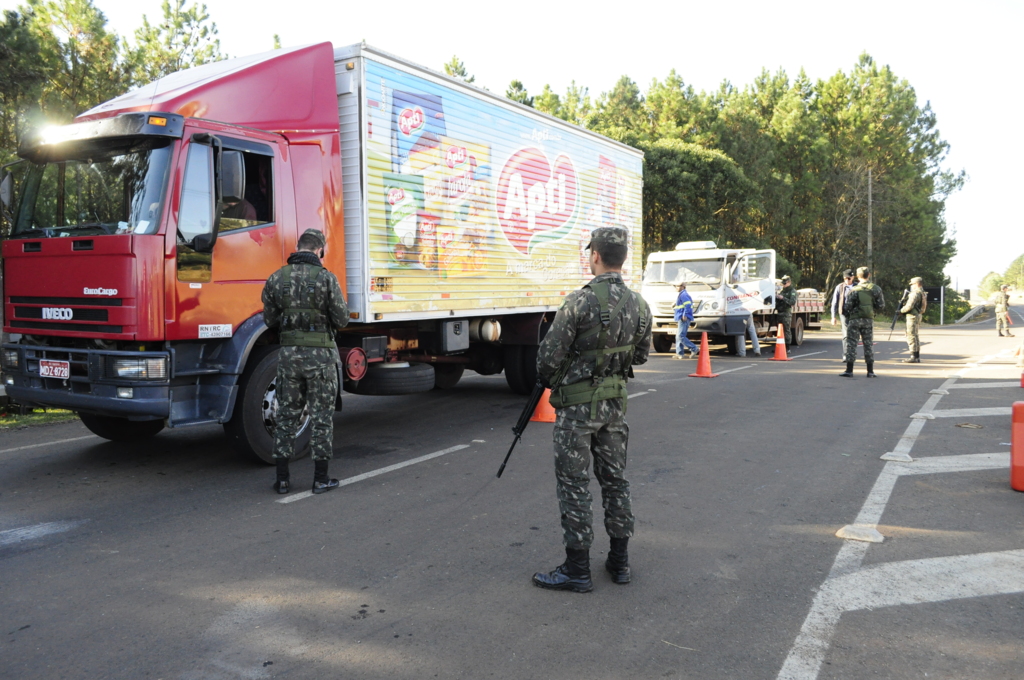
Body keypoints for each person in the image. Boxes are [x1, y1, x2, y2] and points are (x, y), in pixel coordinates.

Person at [533, 226, 652, 593]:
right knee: (615, 481)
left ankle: (577, 568)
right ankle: (620, 563)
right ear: (623, 257)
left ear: (595, 256)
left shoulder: (578, 302)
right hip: (615, 408)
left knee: (574, 484)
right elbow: (643, 356)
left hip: (576, 411)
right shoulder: (639, 304)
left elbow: (546, 360)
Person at [261, 228, 350, 494]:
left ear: (298, 247)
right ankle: (320, 480)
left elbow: (269, 320)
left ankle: (283, 480)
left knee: (286, 416)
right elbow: (342, 319)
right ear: (319, 250)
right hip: (320, 358)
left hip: (289, 357)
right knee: (322, 417)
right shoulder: (326, 279)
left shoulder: (277, 278)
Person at [840, 266, 885, 378]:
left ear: (857, 277)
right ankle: (870, 371)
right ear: (869, 275)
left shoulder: (853, 290)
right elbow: (881, 306)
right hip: (868, 320)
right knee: (868, 344)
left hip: (855, 320)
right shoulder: (876, 289)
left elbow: (847, 306)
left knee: (851, 344)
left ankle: (849, 370)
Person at [900, 276, 927, 363]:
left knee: (911, 335)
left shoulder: (915, 293)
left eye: (912, 284)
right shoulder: (923, 292)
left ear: (916, 284)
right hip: (918, 315)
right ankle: (916, 356)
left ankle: (913, 356)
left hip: (912, 316)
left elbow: (909, 306)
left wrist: (901, 310)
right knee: (915, 335)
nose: (911, 286)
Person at [671, 282, 698, 359]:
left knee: (680, 336)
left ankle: (694, 348)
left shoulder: (683, 295)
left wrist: (685, 315)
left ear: (683, 287)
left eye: (677, 286)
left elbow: (688, 305)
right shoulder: (682, 294)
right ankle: (679, 353)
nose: (676, 287)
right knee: (679, 336)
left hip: (684, 318)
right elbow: (682, 306)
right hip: (681, 317)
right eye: (675, 286)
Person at [830, 269, 856, 342]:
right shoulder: (839, 287)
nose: (847, 280)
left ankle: (852, 352)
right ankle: (846, 352)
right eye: (845, 278)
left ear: (852, 277)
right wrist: (833, 317)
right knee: (846, 334)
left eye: (849, 278)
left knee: (854, 333)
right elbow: (834, 302)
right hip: (844, 313)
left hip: (855, 313)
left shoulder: (857, 287)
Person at [776, 275, 798, 348]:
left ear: (789, 282)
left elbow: (792, 302)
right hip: (779, 312)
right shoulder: (782, 291)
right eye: (783, 283)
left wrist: (783, 298)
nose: (783, 285)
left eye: (784, 283)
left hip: (786, 313)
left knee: (787, 330)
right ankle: (779, 347)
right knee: (779, 331)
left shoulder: (792, 291)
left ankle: (787, 347)